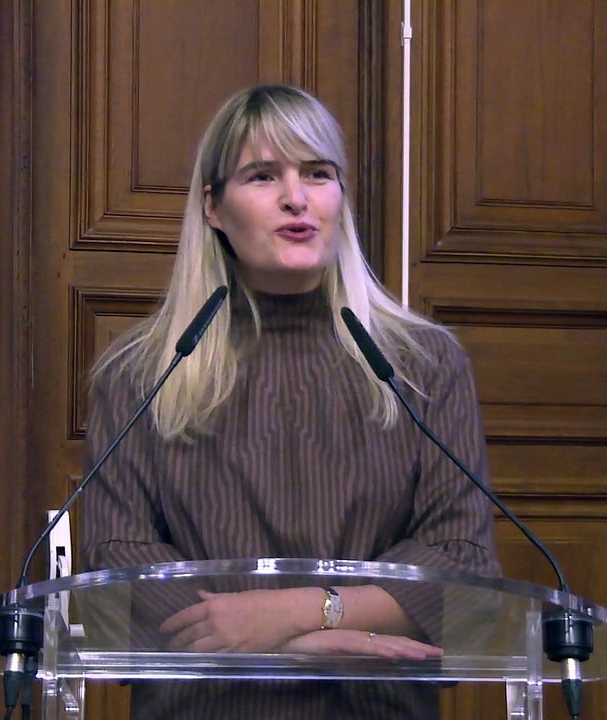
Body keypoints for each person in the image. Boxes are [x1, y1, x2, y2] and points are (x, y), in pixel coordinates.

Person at [79, 83, 499, 719]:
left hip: (372, 705)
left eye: (318, 173)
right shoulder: (143, 374)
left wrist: (295, 617)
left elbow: (461, 559)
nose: (296, 198)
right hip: (208, 706)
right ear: (213, 207)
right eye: (262, 175)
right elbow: (121, 562)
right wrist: (312, 638)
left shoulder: (422, 364)